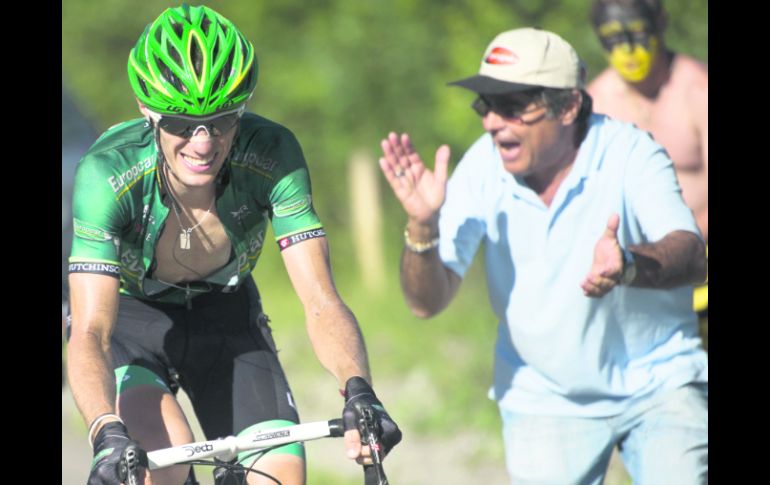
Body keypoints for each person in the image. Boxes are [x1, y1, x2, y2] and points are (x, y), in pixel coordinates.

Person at [66, 5, 401, 485]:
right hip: (132, 325)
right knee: (164, 466)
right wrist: (105, 432)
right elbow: (91, 331)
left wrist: (360, 393)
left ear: (241, 110)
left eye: (221, 120)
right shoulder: (106, 173)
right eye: (182, 124)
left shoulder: (272, 154)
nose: (203, 143)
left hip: (227, 318)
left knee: (281, 477)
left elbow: (321, 300)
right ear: (148, 113)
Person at [379, 27, 707, 484]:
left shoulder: (632, 153)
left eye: (514, 105)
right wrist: (422, 227)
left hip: (658, 381)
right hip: (544, 395)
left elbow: (693, 255)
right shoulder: (481, 168)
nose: (494, 122)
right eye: (486, 106)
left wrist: (628, 265)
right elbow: (425, 302)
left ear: (569, 106)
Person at [587, 0, 708, 333]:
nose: (628, 49)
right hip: (631, 277)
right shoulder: (594, 104)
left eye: (638, 33)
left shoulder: (698, 89)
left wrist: (680, 245)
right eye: (613, 37)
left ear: (660, 24)